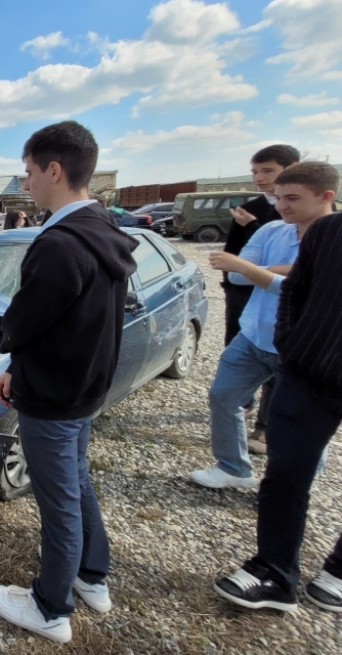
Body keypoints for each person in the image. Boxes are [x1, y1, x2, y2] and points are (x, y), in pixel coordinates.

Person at [0, 121, 138, 645]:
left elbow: (23, 322)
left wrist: (8, 347)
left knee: (57, 500)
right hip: (85, 386)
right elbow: (72, 322)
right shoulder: (104, 230)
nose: (25, 184)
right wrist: (17, 367)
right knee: (76, 482)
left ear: (54, 170)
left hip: (54, 395)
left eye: (28, 173)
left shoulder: (59, 243)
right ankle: (91, 577)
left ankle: (50, 607)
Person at [213, 209, 342, 614]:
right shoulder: (329, 231)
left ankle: (338, 571)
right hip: (312, 374)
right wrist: (293, 343)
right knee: (284, 474)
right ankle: (274, 570)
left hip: (309, 367)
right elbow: (295, 289)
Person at [191, 162, 338, 490]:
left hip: (303, 350)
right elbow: (236, 274)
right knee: (224, 398)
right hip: (254, 336)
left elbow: (302, 289)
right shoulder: (272, 230)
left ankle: (294, 486)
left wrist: (257, 269)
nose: (282, 206)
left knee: (301, 422)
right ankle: (233, 468)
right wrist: (286, 270)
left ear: (326, 196)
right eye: (278, 197)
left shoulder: (334, 241)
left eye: (292, 198)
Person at [219, 144, 301, 455]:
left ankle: (266, 428)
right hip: (246, 299)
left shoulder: (322, 223)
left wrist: (251, 267)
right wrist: (251, 271)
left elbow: (305, 276)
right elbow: (234, 263)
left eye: (267, 170)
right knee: (235, 366)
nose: (259, 177)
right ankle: (245, 407)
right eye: (255, 171)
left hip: (289, 320)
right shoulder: (251, 207)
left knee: (282, 376)